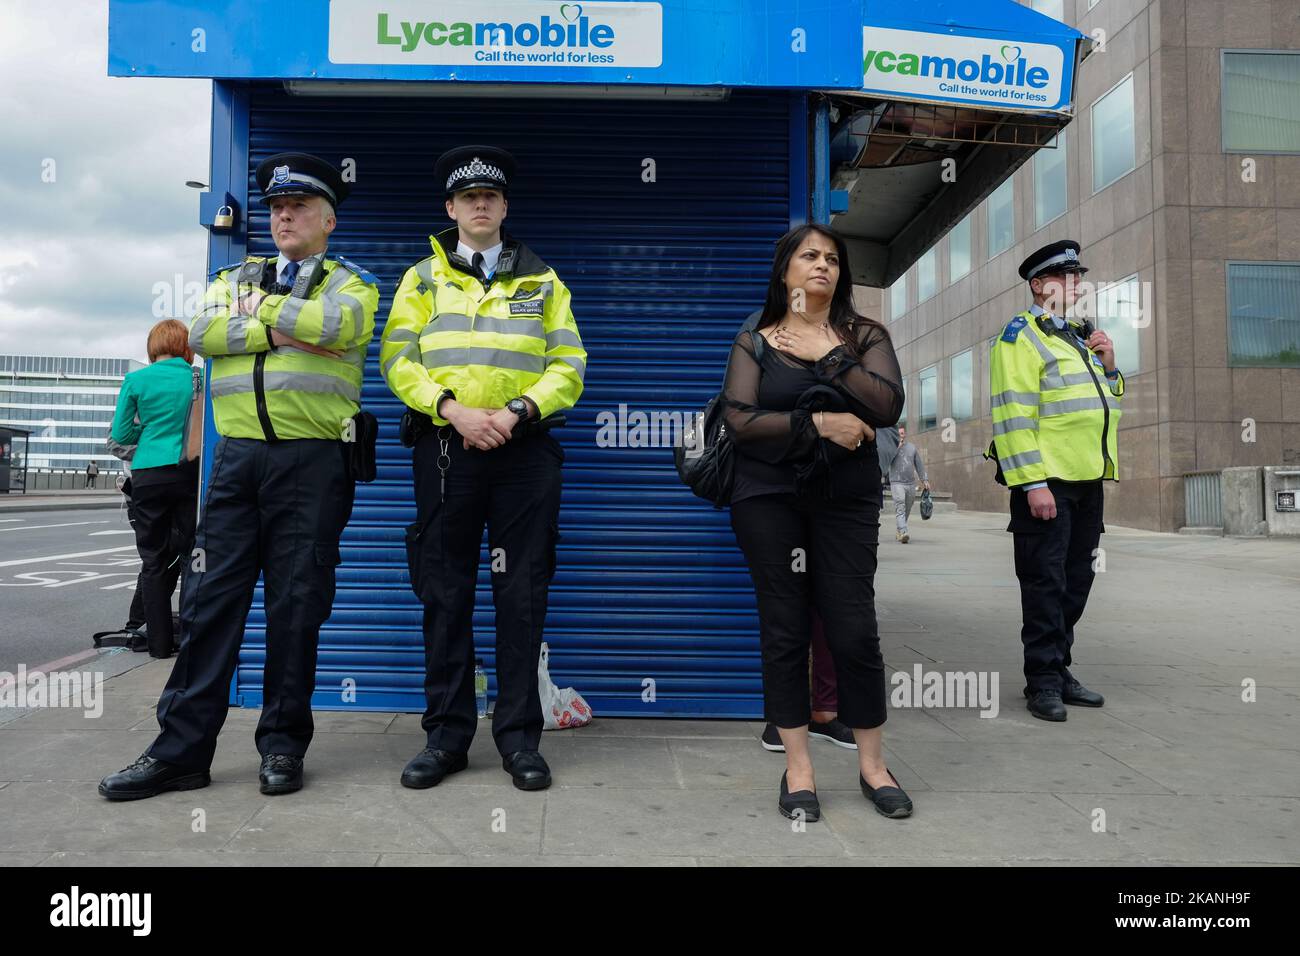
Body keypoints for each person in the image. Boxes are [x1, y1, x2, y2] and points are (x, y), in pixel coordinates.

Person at [99, 152, 379, 800]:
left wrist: (259, 317)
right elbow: (202, 332)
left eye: (299, 207)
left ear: (327, 219)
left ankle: (282, 749)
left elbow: (339, 326)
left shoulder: (351, 282)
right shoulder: (235, 276)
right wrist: (283, 329)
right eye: (277, 208)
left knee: (295, 608)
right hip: (236, 463)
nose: (284, 216)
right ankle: (181, 753)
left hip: (313, 463)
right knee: (205, 606)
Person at [381, 146, 586, 793]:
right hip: (446, 452)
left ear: (503, 207)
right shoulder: (421, 279)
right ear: (450, 208)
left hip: (523, 453)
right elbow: (397, 359)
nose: (479, 204)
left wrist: (519, 410)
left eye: (489, 196)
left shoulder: (543, 281)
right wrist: (452, 410)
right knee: (446, 596)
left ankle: (519, 739)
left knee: (521, 595)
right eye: (467, 196)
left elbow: (570, 365)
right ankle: (445, 738)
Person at [722, 223, 911, 821]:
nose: (822, 265)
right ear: (786, 270)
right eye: (809, 256)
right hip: (768, 496)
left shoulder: (862, 334)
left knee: (854, 628)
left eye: (832, 258)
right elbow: (740, 420)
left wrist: (827, 356)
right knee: (784, 630)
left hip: (846, 498)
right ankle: (797, 767)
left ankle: (873, 765)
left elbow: (886, 405)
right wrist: (821, 425)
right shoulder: (756, 338)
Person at [986, 239, 1122, 722]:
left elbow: (1108, 402)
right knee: (1045, 582)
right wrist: (1032, 483)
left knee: (1077, 581)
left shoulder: (1079, 335)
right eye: (1067, 278)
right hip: (1046, 481)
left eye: (1079, 278)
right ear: (1039, 286)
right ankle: (1041, 680)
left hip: (1086, 480)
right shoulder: (1020, 336)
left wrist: (1109, 364)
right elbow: (1013, 415)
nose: (1077, 285)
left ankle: (1059, 668)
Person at [107, 319, 199, 658]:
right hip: (190, 473)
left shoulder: (135, 380)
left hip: (147, 474)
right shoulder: (198, 379)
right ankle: (192, 641)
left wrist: (148, 436)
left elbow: (121, 435)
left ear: (152, 347)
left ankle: (159, 646)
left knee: (154, 561)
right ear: (186, 347)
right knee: (192, 556)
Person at [888, 424, 930, 543]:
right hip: (897, 483)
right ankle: (904, 531)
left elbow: (919, 465)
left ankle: (900, 530)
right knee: (900, 507)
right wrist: (897, 447)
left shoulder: (912, 448)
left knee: (907, 508)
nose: (900, 435)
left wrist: (924, 480)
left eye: (902, 433)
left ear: (904, 434)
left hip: (910, 483)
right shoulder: (891, 447)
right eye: (898, 434)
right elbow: (887, 461)